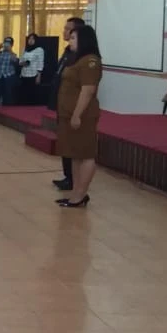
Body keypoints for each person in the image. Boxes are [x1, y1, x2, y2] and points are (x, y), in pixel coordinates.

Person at [55, 25, 101, 208]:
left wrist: (77, 115)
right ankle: (75, 192)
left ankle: (81, 195)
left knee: (86, 154)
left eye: (74, 38)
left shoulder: (91, 61)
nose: (70, 41)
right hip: (68, 114)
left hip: (83, 116)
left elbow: (87, 90)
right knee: (74, 154)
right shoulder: (76, 59)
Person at [48, 17, 85, 191]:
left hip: (71, 105)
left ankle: (74, 179)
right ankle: (67, 176)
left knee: (71, 143)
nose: (64, 31)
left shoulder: (80, 56)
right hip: (61, 103)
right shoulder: (67, 51)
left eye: (68, 29)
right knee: (63, 141)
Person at [0, 37, 19, 107]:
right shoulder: (0, 53)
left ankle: (6, 109)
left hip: (8, 76)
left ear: (12, 45)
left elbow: (15, 61)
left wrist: (10, 50)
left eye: (8, 44)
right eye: (5, 43)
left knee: (7, 94)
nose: (6, 45)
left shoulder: (13, 54)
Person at [19, 34, 45, 106]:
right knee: (24, 94)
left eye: (32, 39)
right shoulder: (25, 49)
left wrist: (39, 76)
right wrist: (24, 63)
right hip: (24, 74)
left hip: (33, 74)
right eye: (29, 39)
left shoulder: (39, 50)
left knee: (32, 94)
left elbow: (40, 63)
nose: (30, 40)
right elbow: (20, 61)